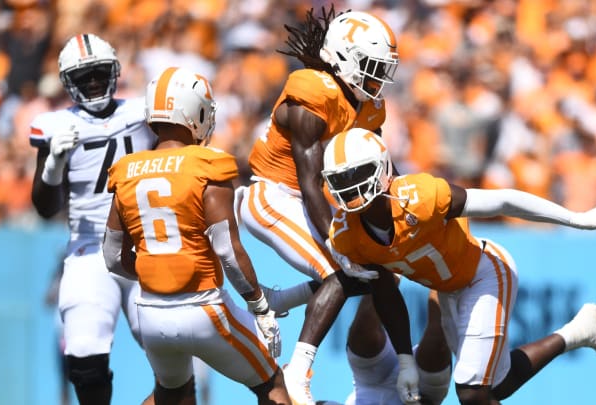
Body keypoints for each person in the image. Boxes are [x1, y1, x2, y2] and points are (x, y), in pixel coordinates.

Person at [322, 127, 596, 404]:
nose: (353, 187)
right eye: (342, 179)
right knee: (496, 386)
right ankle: (580, 331)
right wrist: (404, 361)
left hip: (484, 273)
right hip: (448, 291)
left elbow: (503, 201)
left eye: (359, 174)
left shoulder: (420, 197)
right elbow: (384, 295)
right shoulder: (346, 235)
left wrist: (575, 218)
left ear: (383, 167)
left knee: (471, 392)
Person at [237, 7, 448, 404]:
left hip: (314, 196)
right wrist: (339, 244)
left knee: (377, 267)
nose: (378, 78)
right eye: (370, 66)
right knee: (342, 267)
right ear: (344, 59)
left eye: (382, 68)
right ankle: (296, 374)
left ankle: (284, 300)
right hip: (274, 197)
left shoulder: (366, 104)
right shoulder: (313, 93)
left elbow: (381, 164)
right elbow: (310, 182)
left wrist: (407, 204)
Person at [102, 66, 290, 405]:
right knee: (272, 383)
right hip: (203, 308)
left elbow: (113, 256)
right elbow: (228, 252)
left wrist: (155, 270)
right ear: (193, 112)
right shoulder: (207, 164)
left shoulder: (126, 171)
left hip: (151, 314)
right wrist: (260, 307)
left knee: (173, 395)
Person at [29, 33, 157, 405]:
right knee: (84, 355)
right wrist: (53, 164)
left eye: (99, 73)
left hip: (145, 243)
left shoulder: (143, 112)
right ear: (69, 82)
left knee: (172, 347)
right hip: (89, 249)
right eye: (84, 77)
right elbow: (44, 207)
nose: (94, 82)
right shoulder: (54, 125)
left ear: (114, 71)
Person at [343, 291, 451, 405]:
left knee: (363, 332)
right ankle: (446, 278)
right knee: (436, 342)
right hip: (420, 392)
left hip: (369, 385)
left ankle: (385, 276)